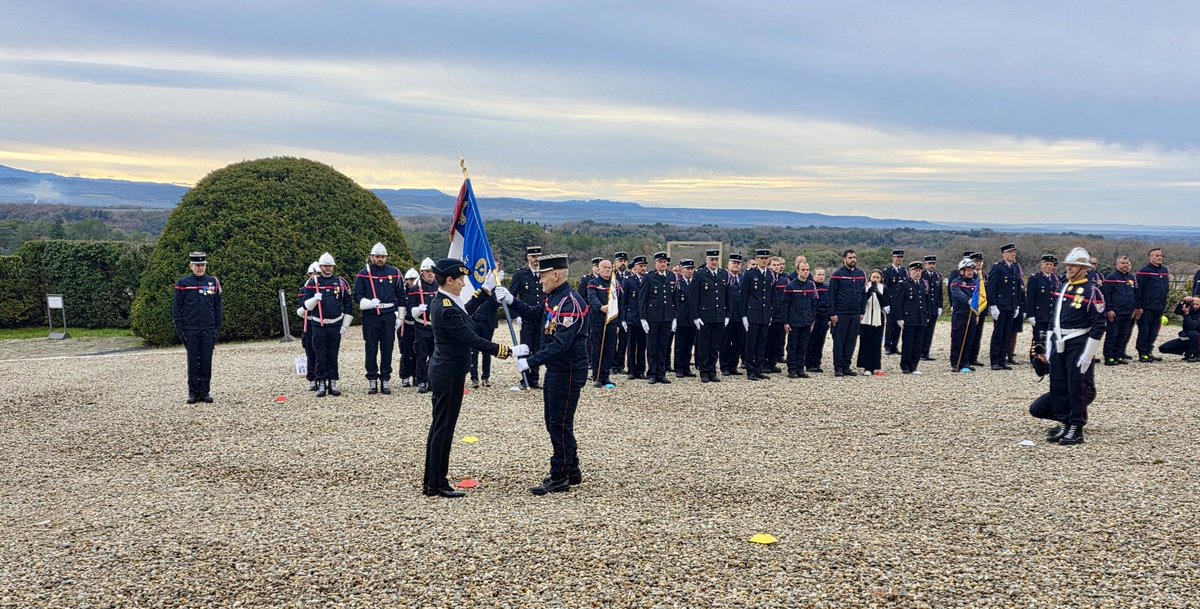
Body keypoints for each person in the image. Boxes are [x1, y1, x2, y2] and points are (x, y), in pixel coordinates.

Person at [422, 258, 516, 498]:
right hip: (448, 373)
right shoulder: (445, 307)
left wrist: (485, 291)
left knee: (441, 426)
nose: (464, 284)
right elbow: (471, 337)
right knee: (443, 428)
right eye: (461, 279)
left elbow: (467, 313)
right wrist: (506, 351)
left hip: (448, 371)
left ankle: (433, 480)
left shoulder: (447, 301)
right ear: (450, 280)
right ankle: (436, 484)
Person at [496, 254, 589, 496]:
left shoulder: (571, 303)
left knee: (559, 422)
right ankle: (572, 468)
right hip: (557, 369)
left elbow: (561, 344)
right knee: (554, 421)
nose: (540, 282)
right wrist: (512, 301)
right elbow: (538, 315)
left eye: (543, 276)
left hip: (567, 370)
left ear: (556, 275)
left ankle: (560, 475)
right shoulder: (555, 297)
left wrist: (531, 362)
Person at [1029, 247, 1106, 446]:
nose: (1069, 269)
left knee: (1076, 385)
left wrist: (1088, 354)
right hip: (1059, 341)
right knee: (1059, 384)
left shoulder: (1092, 290)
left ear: (1084, 269)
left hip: (1078, 341)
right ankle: (1064, 422)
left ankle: (1076, 427)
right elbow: (1052, 319)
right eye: (1069, 265)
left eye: (1074, 266)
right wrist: (1048, 348)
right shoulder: (1062, 287)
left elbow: (1098, 325)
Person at [299, 252, 353, 397]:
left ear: (333, 267)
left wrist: (345, 326)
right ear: (321, 266)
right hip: (318, 325)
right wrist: (313, 300)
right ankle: (321, 382)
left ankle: (333, 382)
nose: (327, 268)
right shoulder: (313, 283)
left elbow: (348, 305)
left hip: (335, 325)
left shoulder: (340, 282)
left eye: (330, 266)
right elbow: (304, 306)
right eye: (325, 266)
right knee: (320, 355)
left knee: (332, 355)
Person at [353, 243, 404, 395]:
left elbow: (401, 296)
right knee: (371, 347)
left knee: (388, 347)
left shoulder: (394, 273)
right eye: (377, 256)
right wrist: (368, 303)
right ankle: (372, 379)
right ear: (371, 257)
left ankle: (385, 378)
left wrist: (400, 317)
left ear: (386, 257)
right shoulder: (363, 274)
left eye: (382, 256)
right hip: (371, 315)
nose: (380, 259)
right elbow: (357, 295)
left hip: (388, 315)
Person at [173, 251, 223, 404]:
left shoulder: (212, 282)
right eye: (197, 265)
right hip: (191, 329)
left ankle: (205, 391)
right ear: (191, 266)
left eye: (203, 265)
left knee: (206, 360)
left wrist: (217, 328)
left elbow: (217, 307)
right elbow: (177, 309)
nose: (200, 268)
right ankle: (193, 393)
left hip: (208, 329)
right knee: (193, 361)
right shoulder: (183, 284)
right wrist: (180, 330)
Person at [690, 249, 729, 383]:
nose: (714, 262)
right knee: (704, 345)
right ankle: (704, 371)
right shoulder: (700, 275)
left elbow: (727, 296)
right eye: (711, 260)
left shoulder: (724, 274)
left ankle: (712, 370)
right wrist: (695, 316)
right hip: (704, 316)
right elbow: (693, 297)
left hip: (719, 316)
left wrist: (727, 314)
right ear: (707, 260)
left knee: (715, 346)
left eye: (716, 260)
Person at [510, 246, 546, 388]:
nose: (535, 260)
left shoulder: (544, 274)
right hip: (525, 318)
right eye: (533, 257)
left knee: (538, 348)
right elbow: (512, 296)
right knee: (525, 348)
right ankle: (524, 378)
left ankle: (535, 378)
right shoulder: (520, 275)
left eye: (538, 257)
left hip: (540, 317)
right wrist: (516, 315)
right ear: (528, 258)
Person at [828, 249, 867, 377]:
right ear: (844, 259)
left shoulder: (861, 274)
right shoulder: (837, 275)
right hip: (841, 313)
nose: (853, 260)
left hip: (855, 313)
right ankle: (838, 367)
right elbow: (831, 295)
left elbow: (863, 294)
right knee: (839, 342)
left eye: (854, 257)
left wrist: (862, 311)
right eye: (850, 257)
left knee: (851, 341)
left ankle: (846, 366)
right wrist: (832, 313)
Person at [585, 258, 623, 387]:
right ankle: (597, 376)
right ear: (599, 269)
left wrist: (618, 323)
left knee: (610, 350)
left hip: (612, 321)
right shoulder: (593, 282)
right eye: (604, 267)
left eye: (609, 267)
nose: (607, 269)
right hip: (598, 321)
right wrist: (601, 307)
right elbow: (591, 298)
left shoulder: (615, 284)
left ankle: (606, 376)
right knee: (597, 349)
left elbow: (620, 304)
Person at [640, 252, 676, 384]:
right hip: (652, 318)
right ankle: (652, 373)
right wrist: (643, 318)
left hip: (667, 317)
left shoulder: (671, 276)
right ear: (655, 263)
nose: (663, 264)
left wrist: (674, 317)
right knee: (652, 346)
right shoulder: (649, 277)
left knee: (663, 346)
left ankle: (661, 373)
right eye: (660, 262)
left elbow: (674, 298)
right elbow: (642, 299)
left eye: (664, 262)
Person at [987, 243, 1024, 370]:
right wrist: (993, 305)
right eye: (1010, 252)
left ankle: (1003, 360)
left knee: (1007, 333)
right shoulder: (997, 268)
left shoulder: (1014, 268)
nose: (1013, 254)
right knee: (998, 333)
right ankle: (995, 361)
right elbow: (991, 288)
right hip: (1000, 306)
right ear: (1003, 254)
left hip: (1010, 306)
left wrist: (1017, 305)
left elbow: (1017, 288)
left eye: (1014, 252)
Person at [741, 249, 774, 380]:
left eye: (766, 258)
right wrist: (743, 315)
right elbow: (744, 296)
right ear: (757, 259)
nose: (764, 260)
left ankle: (759, 369)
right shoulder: (750, 275)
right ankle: (750, 371)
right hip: (752, 314)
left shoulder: (770, 275)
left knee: (762, 343)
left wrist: (770, 313)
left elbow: (770, 296)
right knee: (751, 344)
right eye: (761, 258)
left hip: (765, 314)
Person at [407, 258, 438, 393]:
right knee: (421, 354)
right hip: (422, 326)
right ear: (422, 273)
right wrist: (418, 310)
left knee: (435, 355)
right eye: (427, 272)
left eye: (432, 272)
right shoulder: (415, 288)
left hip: (436, 326)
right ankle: (421, 381)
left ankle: (432, 380)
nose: (430, 274)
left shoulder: (439, 287)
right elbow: (409, 310)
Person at [1134, 247, 1170, 362]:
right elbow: (1138, 290)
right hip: (1146, 308)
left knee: (1154, 331)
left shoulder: (1164, 270)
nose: (1160, 257)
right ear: (1150, 258)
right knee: (1144, 331)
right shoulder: (1143, 271)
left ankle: (1149, 351)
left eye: (1161, 255)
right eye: (1157, 255)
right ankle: (1142, 353)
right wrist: (1138, 307)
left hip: (1159, 307)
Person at [1101, 255, 1138, 366]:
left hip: (1128, 312)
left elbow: (1136, 294)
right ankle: (1109, 357)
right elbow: (1106, 295)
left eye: (1127, 263)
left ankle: (1118, 355)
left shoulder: (1131, 278)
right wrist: (1109, 310)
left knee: (1123, 335)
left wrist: (1135, 308)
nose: (1125, 265)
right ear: (1117, 264)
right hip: (1115, 312)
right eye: (1122, 263)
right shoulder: (1111, 277)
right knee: (1112, 335)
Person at [896, 261, 932, 374]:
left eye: (919, 271)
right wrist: (899, 318)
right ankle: (905, 366)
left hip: (920, 318)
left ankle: (914, 365)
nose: (917, 273)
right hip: (909, 318)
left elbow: (926, 302)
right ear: (910, 272)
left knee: (918, 344)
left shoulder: (922, 284)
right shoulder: (904, 284)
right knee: (908, 343)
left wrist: (927, 315)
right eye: (915, 271)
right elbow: (898, 302)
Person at [784, 261, 817, 378]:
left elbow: (813, 304)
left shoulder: (811, 285)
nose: (806, 272)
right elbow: (786, 305)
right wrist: (786, 322)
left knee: (803, 347)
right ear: (797, 271)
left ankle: (800, 369)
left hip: (806, 321)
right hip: (794, 321)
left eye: (807, 270)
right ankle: (792, 369)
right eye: (803, 270)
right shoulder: (790, 286)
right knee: (793, 347)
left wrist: (812, 319)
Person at [949, 258, 981, 372]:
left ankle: (965, 363)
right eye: (967, 270)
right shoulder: (956, 282)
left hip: (971, 315)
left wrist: (977, 313)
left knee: (969, 340)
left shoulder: (975, 282)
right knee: (958, 340)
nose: (970, 272)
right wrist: (968, 300)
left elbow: (978, 298)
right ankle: (955, 363)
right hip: (960, 315)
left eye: (972, 270)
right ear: (961, 271)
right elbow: (958, 294)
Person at [1025, 255, 1060, 354]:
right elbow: (1030, 298)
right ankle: (1035, 358)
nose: (1049, 266)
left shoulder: (1055, 279)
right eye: (1046, 264)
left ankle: (1048, 357)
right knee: (1038, 338)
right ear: (1042, 265)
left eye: (1051, 264)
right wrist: (1030, 315)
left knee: (1050, 337)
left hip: (1051, 314)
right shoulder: (1035, 278)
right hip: (1039, 313)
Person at [720, 253, 747, 376]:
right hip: (727, 316)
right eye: (734, 263)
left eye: (738, 263)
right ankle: (724, 366)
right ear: (728, 264)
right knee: (725, 342)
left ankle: (733, 366)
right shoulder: (723, 278)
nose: (736, 265)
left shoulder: (742, 279)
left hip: (740, 316)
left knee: (738, 342)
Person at [469, 288, 502, 388]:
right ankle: (474, 378)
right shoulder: (475, 285)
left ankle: (485, 377)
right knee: (473, 351)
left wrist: (491, 294)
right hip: (474, 320)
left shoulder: (495, 288)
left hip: (488, 322)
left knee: (487, 350)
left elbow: (497, 304)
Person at [622, 255, 648, 379]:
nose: (643, 268)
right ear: (635, 267)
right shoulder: (628, 281)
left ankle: (641, 370)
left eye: (644, 266)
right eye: (640, 266)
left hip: (644, 319)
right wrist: (623, 319)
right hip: (631, 317)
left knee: (642, 346)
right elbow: (624, 301)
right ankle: (631, 370)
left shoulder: (648, 279)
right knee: (631, 346)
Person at [856, 269, 886, 375]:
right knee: (866, 342)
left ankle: (875, 366)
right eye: (874, 277)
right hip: (866, 318)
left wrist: (878, 294)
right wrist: (868, 294)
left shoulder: (884, 288)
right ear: (870, 278)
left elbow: (886, 305)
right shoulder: (865, 287)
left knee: (876, 343)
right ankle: (866, 366)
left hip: (878, 318)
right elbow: (861, 301)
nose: (875, 279)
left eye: (878, 277)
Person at [296, 261, 320, 391]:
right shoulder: (305, 290)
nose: (315, 276)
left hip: (322, 322)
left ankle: (322, 377)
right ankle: (312, 378)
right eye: (313, 274)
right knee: (310, 351)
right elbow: (301, 309)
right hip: (310, 322)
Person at [672, 259, 698, 378]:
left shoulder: (696, 282)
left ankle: (686, 367)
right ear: (682, 270)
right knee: (680, 345)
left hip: (692, 318)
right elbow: (674, 301)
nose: (689, 271)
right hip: (681, 317)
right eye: (687, 269)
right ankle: (679, 368)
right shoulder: (677, 283)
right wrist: (675, 317)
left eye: (691, 269)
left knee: (689, 344)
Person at [1157, 296, 1200, 362]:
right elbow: (1177, 311)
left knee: (1193, 333)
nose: (1194, 306)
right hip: (1186, 339)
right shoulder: (1190, 309)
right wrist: (1184, 301)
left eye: (1197, 304)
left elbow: (1192, 326)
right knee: (1163, 348)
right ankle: (1188, 351)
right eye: (1192, 304)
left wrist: (1186, 314)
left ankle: (1196, 355)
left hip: (1197, 339)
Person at [766, 256, 788, 373]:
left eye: (778, 265)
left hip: (780, 316)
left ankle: (772, 362)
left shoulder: (784, 280)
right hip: (769, 315)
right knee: (766, 341)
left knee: (777, 341)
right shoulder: (766, 279)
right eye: (774, 265)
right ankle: (764, 363)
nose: (777, 267)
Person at [881, 250, 906, 355]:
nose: (899, 259)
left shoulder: (904, 271)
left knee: (898, 325)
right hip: (890, 302)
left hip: (900, 303)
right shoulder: (887, 271)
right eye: (897, 257)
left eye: (900, 257)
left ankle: (895, 345)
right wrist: (885, 304)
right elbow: (884, 288)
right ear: (893, 258)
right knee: (890, 325)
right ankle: (888, 346)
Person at [806, 268, 830, 373]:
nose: (820, 276)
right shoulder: (810, 287)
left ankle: (817, 363)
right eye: (819, 274)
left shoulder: (827, 288)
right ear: (814, 275)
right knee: (811, 341)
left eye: (822, 274)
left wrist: (829, 318)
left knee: (820, 341)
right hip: (813, 318)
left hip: (823, 318)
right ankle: (809, 363)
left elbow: (830, 304)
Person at [398, 267, 419, 387]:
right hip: (404, 325)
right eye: (410, 279)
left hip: (416, 325)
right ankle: (405, 376)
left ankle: (416, 376)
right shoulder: (401, 293)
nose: (412, 281)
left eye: (414, 279)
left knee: (417, 352)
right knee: (405, 352)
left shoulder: (419, 291)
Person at [920, 255, 942, 361]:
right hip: (924, 307)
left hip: (934, 307)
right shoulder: (922, 275)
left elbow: (940, 293)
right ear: (925, 265)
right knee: (922, 331)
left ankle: (926, 352)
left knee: (930, 331)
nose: (931, 266)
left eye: (933, 264)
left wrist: (940, 306)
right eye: (929, 264)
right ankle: (919, 352)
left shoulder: (938, 276)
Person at [612, 251, 630, 374]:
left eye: (624, 261)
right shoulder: (612, 276)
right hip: (614, 312)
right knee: (613, 341)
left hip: (627, 313)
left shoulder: (629, 275)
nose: (622, 263)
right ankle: (612, 365)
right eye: (620, 261)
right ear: (615, 262)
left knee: (623, 342)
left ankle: (621, 365)